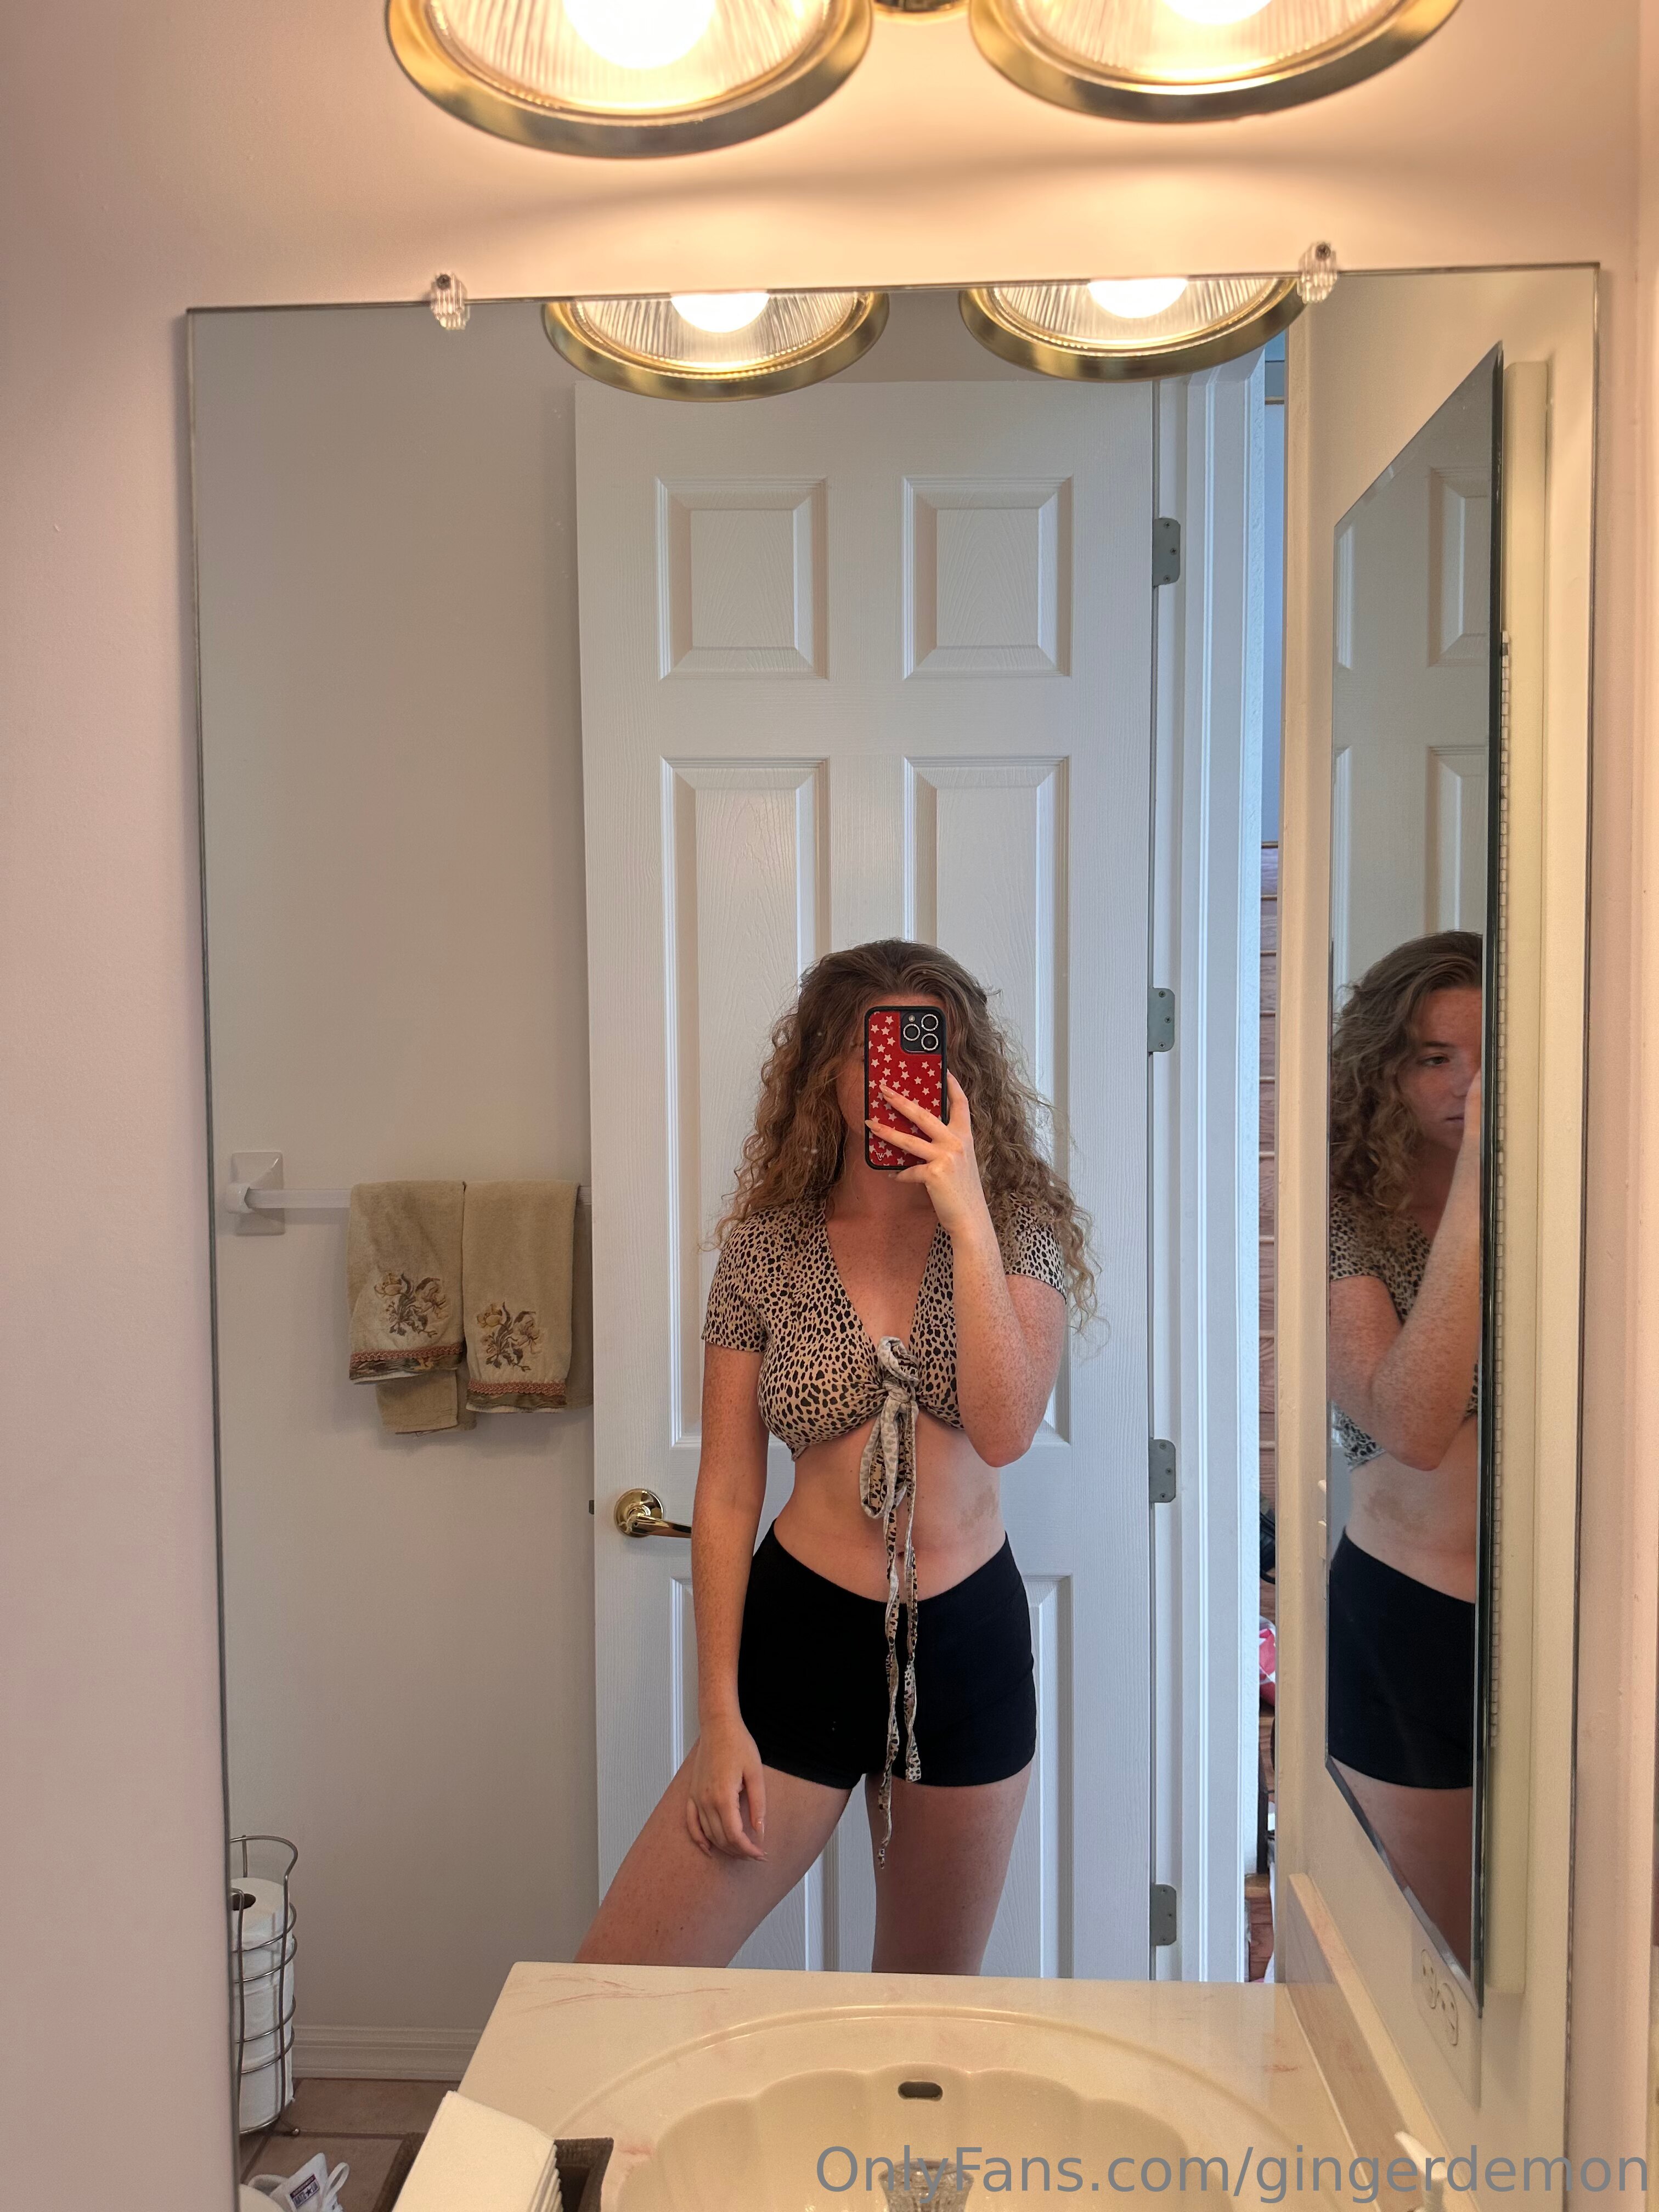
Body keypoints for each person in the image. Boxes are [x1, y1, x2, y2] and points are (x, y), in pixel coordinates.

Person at [577, 940, 1093, 1974]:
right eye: (871, 1052)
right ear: (825, 1072)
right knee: (622, 1982)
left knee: (922, 2010)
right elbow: (728, 1490)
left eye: (924, 1052)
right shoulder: (766, 1249)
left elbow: (1005, 1431)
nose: (895, 1079)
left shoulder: (1015, 1233)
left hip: (966, 1653)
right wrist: (719, 1717)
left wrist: (967, 1215)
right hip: (798, 1641)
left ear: (960, 1073)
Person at [1325, 930, 1483, 1967]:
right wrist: (1483, 1185)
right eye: (1436, 1058)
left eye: (1488, 1057)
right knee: (1455, 1959)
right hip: (1409, 1624)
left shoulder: (1587, 1211)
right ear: (1386, 1069)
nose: (1468, 1084)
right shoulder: (1345, 1221)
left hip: (1578, 1627)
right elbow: (1412, 1428)